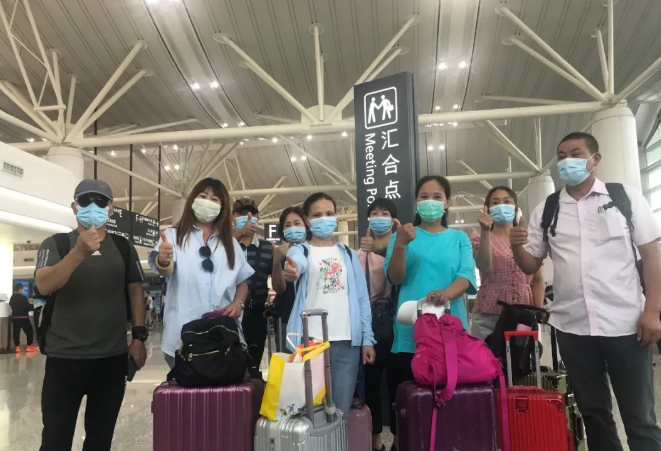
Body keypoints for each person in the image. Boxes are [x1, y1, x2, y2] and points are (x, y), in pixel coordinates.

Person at [510, 132, 661, 451]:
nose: (567, 161)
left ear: (595, 159)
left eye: (576, 153)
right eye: (561, 156)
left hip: (626, 324)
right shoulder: (548, 208)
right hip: (573, 327)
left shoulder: (625, 198)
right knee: (593, 414)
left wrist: (652, 311)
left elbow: (652, 255)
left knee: (640, 418)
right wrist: (516, 246)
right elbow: (530, 264)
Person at [34, 179, 147, 451]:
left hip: (111, 359)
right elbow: (44, 284)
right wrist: (79, 252)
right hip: (64, 358)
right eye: (85, 201)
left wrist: (139, 338)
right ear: (74, 206)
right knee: (55, 440)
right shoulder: (56, 243)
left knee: (100, 439)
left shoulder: (123, 247)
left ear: (111, 209)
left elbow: (135, 289)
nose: (92, 206)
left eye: (100, 201)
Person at [384, 175, 477, 451]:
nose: (430, 202)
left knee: (449, 402)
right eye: (424, 197)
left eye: (437, 197)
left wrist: (448, 292)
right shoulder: (401, 237)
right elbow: (395, 277)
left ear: (447, 203)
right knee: (411, 404)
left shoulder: (459, 238)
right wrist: (401, 244)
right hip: (410, 332)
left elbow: (466, 276)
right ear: (416, 202)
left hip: (450, 332)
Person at [283, 192, 375, 417]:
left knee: (340, 411)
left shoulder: (349, 254)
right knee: (310, 411)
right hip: (310, 342)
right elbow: (297, 264)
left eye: (329, 213)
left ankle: (338, 438)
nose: (324, 218)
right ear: (307, 221)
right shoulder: (301, 250)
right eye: (317, 215)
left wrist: (367, 339)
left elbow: (362, 298)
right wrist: (293, 270)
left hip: (347, 343)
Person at [149, 178, 254, 369]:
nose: (208, 202)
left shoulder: (230, 243)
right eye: (203, 196)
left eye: (215, 199)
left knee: (226, 386)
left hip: (223, 335)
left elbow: (242, 282)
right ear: (192, 201)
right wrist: (163, 260)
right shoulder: (173, 236)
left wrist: (238, 303)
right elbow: (166, 270)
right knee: (186, 386)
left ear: (222, 207)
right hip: (181, 337)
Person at [469, 186, 545, 340]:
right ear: (487, 209)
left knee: (521, 354)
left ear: (515, 207)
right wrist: (485, 231)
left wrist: (538, 310)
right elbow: (483, 265)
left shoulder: (528, 238)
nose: (501, 206)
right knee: (485, 355)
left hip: (523, 313)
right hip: (488, 313)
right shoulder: (479, 237)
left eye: (507, 201)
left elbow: (537, 280)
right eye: (495, 202)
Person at [358, 198, 398, 451]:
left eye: (385, 213)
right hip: (369, 325)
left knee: (398, 382)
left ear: (394, 220)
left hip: (398, 325)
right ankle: (375, 441)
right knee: (370, 384)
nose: (379, 217)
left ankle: (398, 438)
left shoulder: (402, 247)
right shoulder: (360, 253)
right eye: (375, 213)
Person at [232, 198, 274, 368]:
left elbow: (279, 280)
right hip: (230, 313)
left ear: (258, 217)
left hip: (257, 315)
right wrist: (238, 234)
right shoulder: (225, 245)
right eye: (242, 214)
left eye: (252, 214)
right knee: (230, 362)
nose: (248, 217)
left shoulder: (267, 248)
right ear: (233, 217)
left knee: (254, 363)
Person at [269, 206, 310, 350]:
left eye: (297, 223)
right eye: (287, 225)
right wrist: (277, 261)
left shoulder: (313, 251)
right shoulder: (280, 253)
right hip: (286, 317)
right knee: (289, 360)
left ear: (306, 225)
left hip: (313, 317)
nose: (293, 228)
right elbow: (279, 288)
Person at [9, 283, 36, 353]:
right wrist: (29, 302)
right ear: (20, 289)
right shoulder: (23, 298)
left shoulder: (12, 297)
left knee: (16, 332)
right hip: (24, 318)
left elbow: (11, 305)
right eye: (22, 288)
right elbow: (27, 307)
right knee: (29, 331)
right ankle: (29, 346)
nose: (23, 290)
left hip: (15, 317)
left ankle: (17, 347)